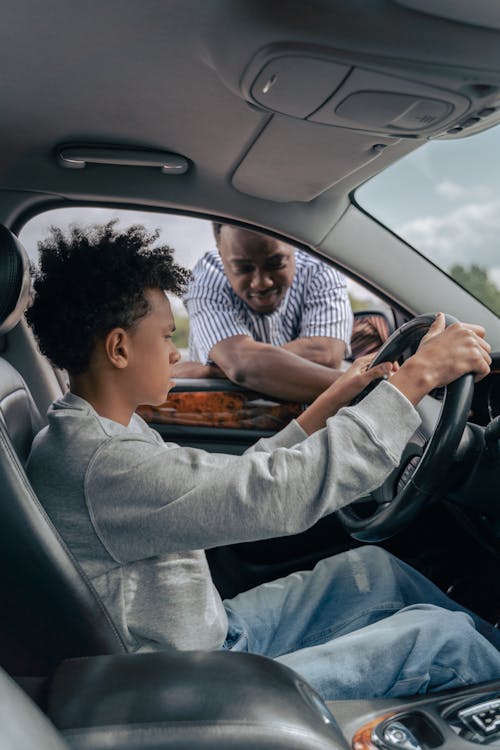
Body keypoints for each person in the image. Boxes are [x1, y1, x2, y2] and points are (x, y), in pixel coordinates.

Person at [26, 222, 500, 702]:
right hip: (189, 682)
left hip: (210, 636)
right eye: (167, 336)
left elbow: (239, 479)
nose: (175, 354)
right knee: (443, 641)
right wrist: (419, 376)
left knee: (377, 573)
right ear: (119, 348)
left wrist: (336, 395)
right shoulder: (103, 463)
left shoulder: (103, 430)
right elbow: (274, 494)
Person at [175, 222, 353, 402]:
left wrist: (218, 369)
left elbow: (325, 356)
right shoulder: (206, 275)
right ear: (220, 253)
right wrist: (359, 386)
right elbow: (241, 364)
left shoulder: (320, 269)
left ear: (294, 244)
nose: (261, 283)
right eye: (242, 268)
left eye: (276, 264)